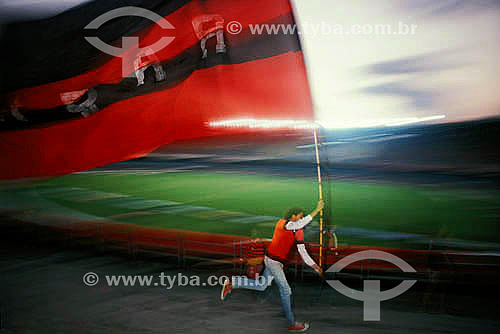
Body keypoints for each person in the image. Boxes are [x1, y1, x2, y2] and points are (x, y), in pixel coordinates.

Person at [221, 200, 325, 332]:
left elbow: (302, 251)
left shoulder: (298, 231)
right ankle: (291, 323)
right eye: (300, 215)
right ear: (293, 216)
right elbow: (299, 223)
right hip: (273, 262)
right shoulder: (283, 223)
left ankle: (232, 283)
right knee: (286, 291)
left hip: (273, 262)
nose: (302, 218)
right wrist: (317, 209)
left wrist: (315, 266)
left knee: (261, 285)